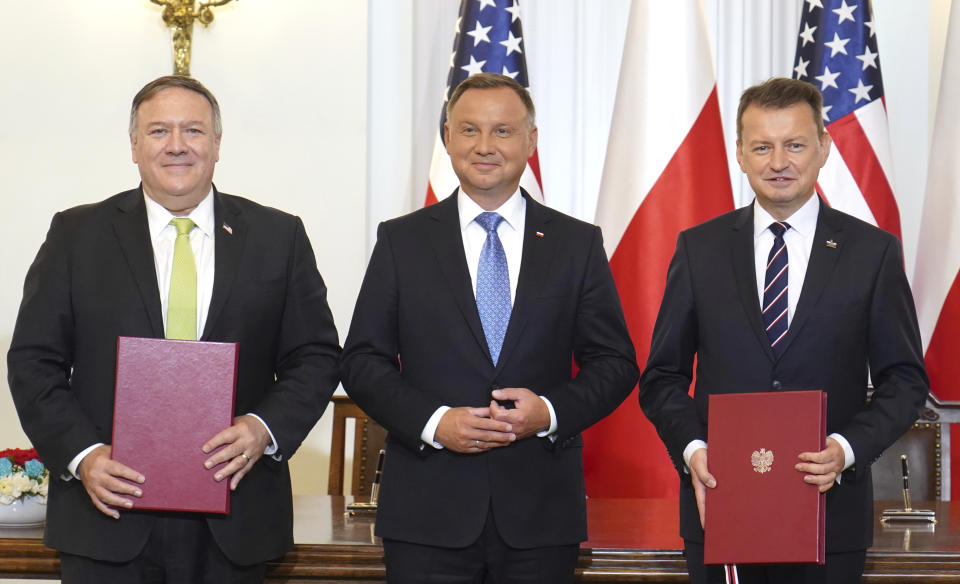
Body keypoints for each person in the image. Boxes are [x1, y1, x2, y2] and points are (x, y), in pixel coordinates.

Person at [7, 75, 341, 583]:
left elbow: (315, 356)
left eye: (194, 130)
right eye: (159, 131)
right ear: (135, 146)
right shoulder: (76, 235)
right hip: (106, 518)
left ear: (218, 143)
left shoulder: (279, 236)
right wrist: (83, 456)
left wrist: (263, 429)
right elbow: (34, 361)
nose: (178, 145)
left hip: (235, 516)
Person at [341, 73, 638, 583]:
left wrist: (546, 412)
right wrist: (436, 422)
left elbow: (614, 363)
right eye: (470, 129)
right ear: (448, 137)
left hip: (540, 514)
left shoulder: (576, 244)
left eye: (503, 131)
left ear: (530, 140)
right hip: (426, 515)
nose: (484, 146)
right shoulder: (402, 241)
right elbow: (362, 362)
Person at [638, 76, 929, 583]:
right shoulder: (697, 250)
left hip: (829, 520)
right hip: (720, 511)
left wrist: (847, 448)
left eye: (795, 145)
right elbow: (662, 378)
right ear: (740, 154)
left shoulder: (872, 253)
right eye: (762, 147)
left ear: (824, 148)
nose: (778, 162)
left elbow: (904, 382)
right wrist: (692, 449)